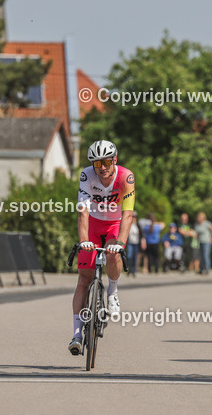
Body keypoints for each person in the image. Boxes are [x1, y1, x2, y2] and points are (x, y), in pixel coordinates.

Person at [69, 140, 135, 356]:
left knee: (113, 255)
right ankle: (77, 334)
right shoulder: (87, 175)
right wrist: (84, 240)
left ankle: (113, 291)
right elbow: (82, 211)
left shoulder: (126, 177)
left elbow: (127, 215)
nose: (102, 167)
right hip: (94, 224)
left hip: (115, 224)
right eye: (98, 163)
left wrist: (121, 244)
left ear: (114, 159)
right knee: (83, 279)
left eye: (106, 161)